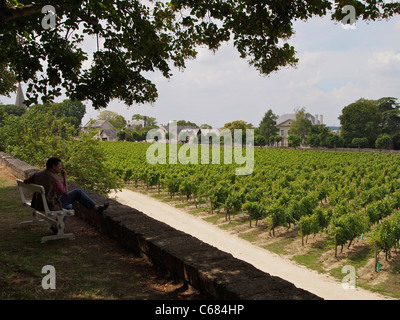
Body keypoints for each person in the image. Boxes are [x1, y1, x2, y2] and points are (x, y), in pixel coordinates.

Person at [24, 157, 109, 234]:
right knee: (77, 192)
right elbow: (65, 192)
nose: (60, 168)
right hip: (49, 204)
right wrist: (64, 177)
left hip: (39, 203)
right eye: (59, 166)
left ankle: (56, 227)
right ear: (53, 167)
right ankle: (96, 208)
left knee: (68, 206)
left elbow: (26, 181)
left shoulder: (38, 174)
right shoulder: (54, 180)